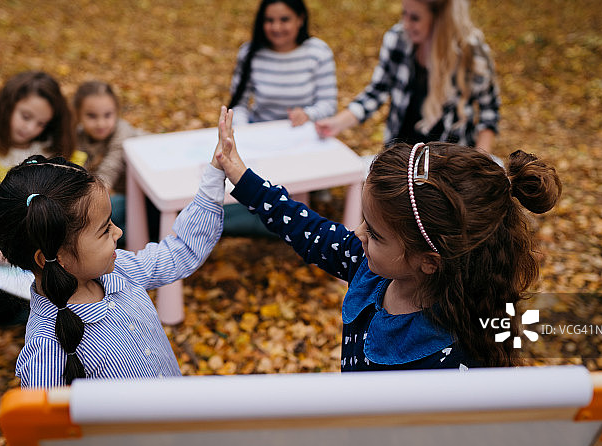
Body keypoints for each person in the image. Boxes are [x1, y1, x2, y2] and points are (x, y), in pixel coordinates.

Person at [215, 107, 561, 370]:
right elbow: (309, 230)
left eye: (376, 234)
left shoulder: (459, 354)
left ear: (429, 260)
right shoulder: (371, 270)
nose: (357, 234)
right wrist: (241, 176)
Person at [0, 110, 228, 386]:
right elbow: (51, 428)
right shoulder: (46, 351)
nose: (118, 233)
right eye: (104, 230)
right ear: (55, 255)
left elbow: (177, 252)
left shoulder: (119, 269)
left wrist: (215, 174)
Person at [0, 71, 85, 325]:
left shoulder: (50, 145)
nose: (30, 128)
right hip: (1, 242)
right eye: (25, 116)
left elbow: (73, 193)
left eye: (41, 123)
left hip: (47, 238)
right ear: (7, 106)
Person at [316, 0, 500, 153]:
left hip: (451, 166)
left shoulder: (471, 53)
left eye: (415, 17)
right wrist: (337, 123)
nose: (406, 23)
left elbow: (489, 114)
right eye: (404, 13)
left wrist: (479, 162)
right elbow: (376, 92)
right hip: (401, 158)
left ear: (440, 20)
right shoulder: (397, 40)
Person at [229, 0, 337, 127]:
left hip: (304, 135)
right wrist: (244, 130)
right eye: (269, 20)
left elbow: (329, 104)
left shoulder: (318, 52)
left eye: (284, 20)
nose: (276, 27)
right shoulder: (249, 53)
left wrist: (308, 114)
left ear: (300, 19)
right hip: (259, 135)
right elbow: (238, 105)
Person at [73, 80, 146, 242]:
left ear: (116, 112)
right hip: (123, 197)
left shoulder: (122, 132)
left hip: (146, 197)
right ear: (78, 114)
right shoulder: (78, 136)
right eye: (91, 116)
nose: (101, 123)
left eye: (108, 115)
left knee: (93, 218)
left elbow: (108, 173)